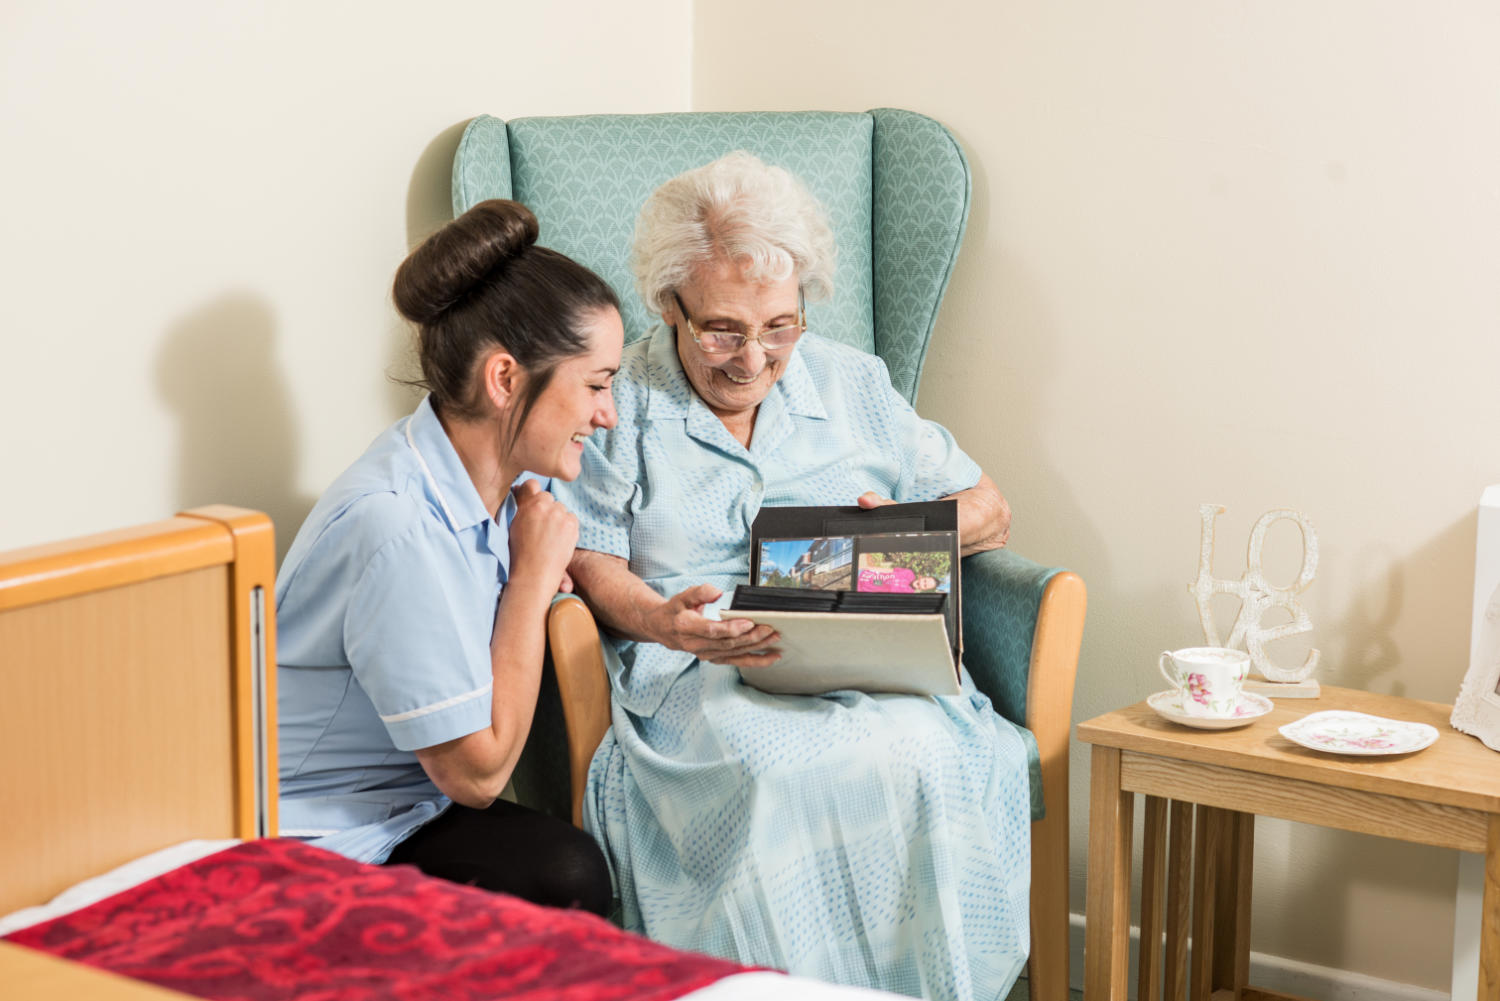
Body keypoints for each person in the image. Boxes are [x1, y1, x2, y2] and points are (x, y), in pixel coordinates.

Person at [552, 152, 1031, 999]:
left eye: (779, 325)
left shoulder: (854, 382)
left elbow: (989, 507)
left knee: (927, 751)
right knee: (775, 768)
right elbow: (589, 556)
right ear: (669, 304)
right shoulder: (618, 397)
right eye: (722, 330)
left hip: (870, 657)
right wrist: (665, 621)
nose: (752, 358)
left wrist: (892, 538)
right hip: (702, 667)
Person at [274, 199, 622, 914]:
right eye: (595, 384)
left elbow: (554, 548)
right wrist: (529, 580)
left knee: (572, 868)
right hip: (320, 830)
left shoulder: (499, 475)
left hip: (404, 805)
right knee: (566, 876)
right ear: (504, 380)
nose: (608, 413)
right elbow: (480, 773)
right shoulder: (395, 526)